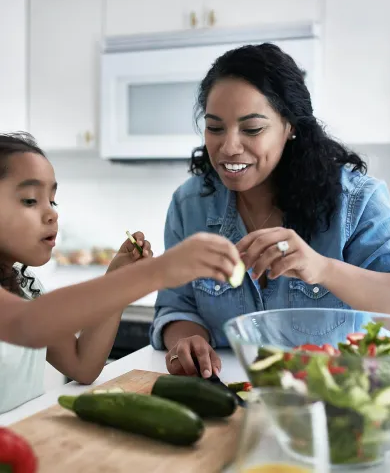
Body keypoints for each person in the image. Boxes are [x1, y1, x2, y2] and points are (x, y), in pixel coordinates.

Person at [150, 43, 390, 379]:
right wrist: (188, 338)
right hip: (226, 399)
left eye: (252, 129)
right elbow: (176, 306)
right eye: (215, 128)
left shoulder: (354, 201)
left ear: (290, 126)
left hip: (333, 403)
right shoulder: (189, 205)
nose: (228, 147)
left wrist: (323, 269)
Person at [0, 132, 241, 413]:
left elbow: (82, 365)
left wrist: (116, 278)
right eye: (30, 200)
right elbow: (25, 323)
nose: (52, 214)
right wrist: (156, 272)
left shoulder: (26, 287)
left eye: (52, 201)